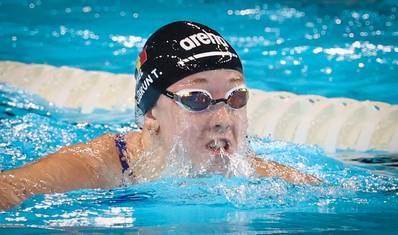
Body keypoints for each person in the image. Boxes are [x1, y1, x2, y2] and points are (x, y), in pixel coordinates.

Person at [0, 21, 320, 210]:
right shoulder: (98, 169)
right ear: (151, 112)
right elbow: (10, 189)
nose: (224, 117)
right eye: (197, 98)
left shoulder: (260, 176)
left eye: (236, 97)